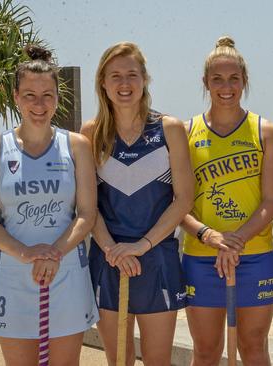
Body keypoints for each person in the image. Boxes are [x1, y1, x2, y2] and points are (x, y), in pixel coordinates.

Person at [0, 45, 98, 365]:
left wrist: (54, 252)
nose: (39, 105)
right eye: (29, 95)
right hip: (14, 276)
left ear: (58, 98)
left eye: (47, 95)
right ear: (15, 97)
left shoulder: (77, 146)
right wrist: (26, 253)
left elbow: (87, 213)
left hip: (66, 272)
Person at [80, 42, 193, 365]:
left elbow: (184, 198)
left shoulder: (169, 128)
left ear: (145, 79)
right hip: (108, 259)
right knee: (119, 360)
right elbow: (87, 203)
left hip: (157, 257)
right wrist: (113, 250)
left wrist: (141, 245)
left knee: (158, 360)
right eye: (115, 75)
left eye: (132, 74)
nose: (124, 83)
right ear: (102, 82)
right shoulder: (91, 132)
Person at [181, 36, 273, 366]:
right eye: (217, 79)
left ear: (245, 81)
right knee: (206, 351)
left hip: (253, 256)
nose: (226, 87)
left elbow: (271, 201)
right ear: (205, 83)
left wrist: (237, 240)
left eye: (234, 79)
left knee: (253, 348)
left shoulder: (264, 131)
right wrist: (210, 236)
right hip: (201, 257)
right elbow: (178, 204)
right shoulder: (186, 133)